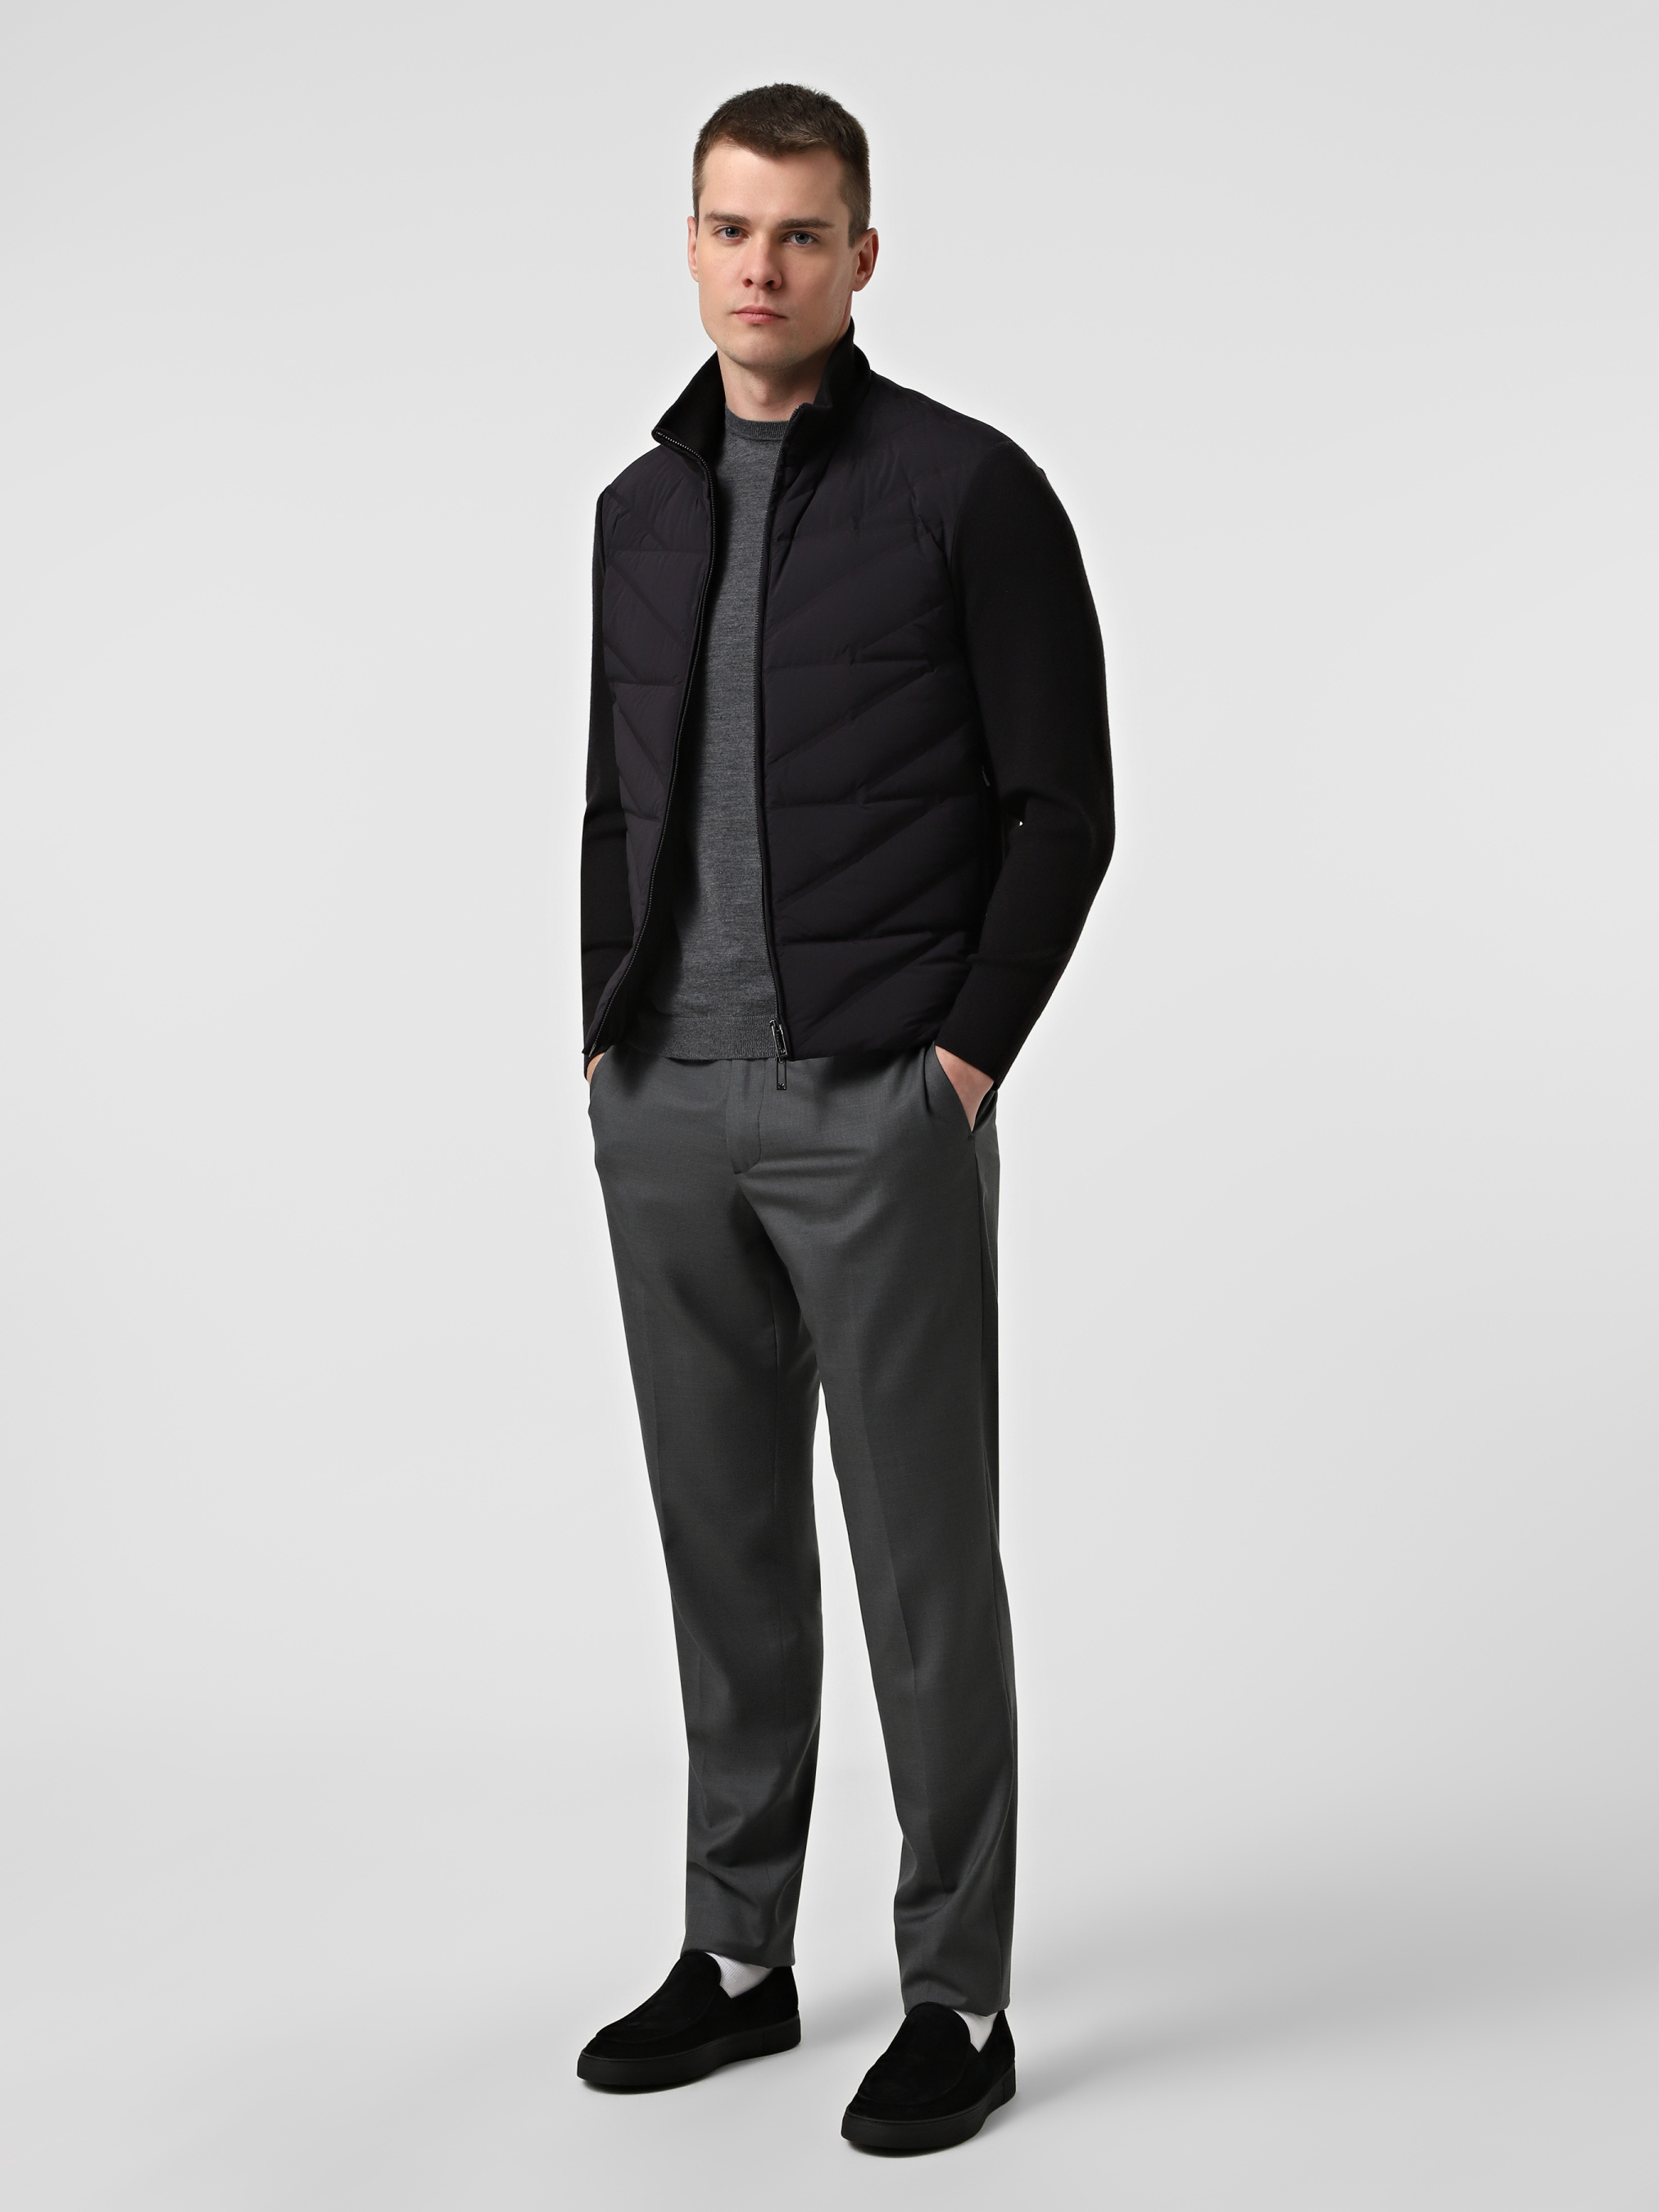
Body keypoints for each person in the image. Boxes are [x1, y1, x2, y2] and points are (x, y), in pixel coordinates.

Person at [574, 82, 1113, 2154]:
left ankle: (955, 1996)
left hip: (874, 1105)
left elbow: (1062, 808)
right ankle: (737, 1958)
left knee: (918, 1568)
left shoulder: (968, 492)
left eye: (800, 232)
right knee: (722, 1552)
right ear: (688, 242)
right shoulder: (635, 512)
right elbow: (614, 796)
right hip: (665, 1106)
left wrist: (954, 1069)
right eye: (729, 228)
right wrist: (602, 1037)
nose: (761, 266)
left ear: (860, 255)